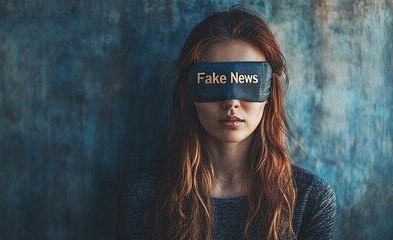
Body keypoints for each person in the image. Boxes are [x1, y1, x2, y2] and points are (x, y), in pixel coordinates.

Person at [118, 6, 336, 240]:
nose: (231, 102)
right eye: (215, 81)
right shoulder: (145, 197)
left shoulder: (311, 200)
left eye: (247, 82)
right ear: (190, 91)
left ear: (269, 93)